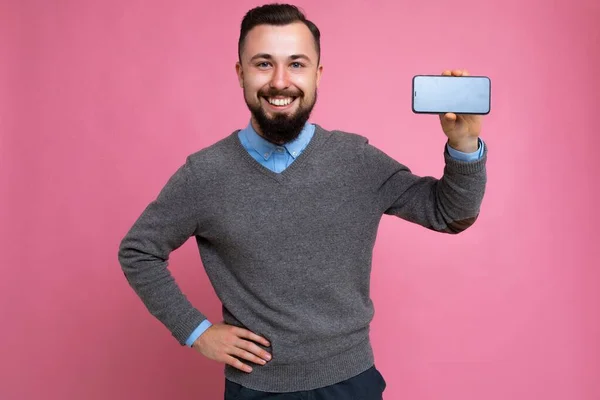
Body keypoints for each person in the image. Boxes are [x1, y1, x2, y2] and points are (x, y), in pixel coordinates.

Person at [118, 3, 488, 399]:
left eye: (296, 64)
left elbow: (449, 213)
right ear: (241, 74)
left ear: (317, 74)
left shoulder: (356, 160)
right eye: (263, 64)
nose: (280, 81)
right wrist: (196, 331)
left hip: (352, 384)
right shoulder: (204, 174)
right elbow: (139, 251)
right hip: (256, 389)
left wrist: (463, 143)